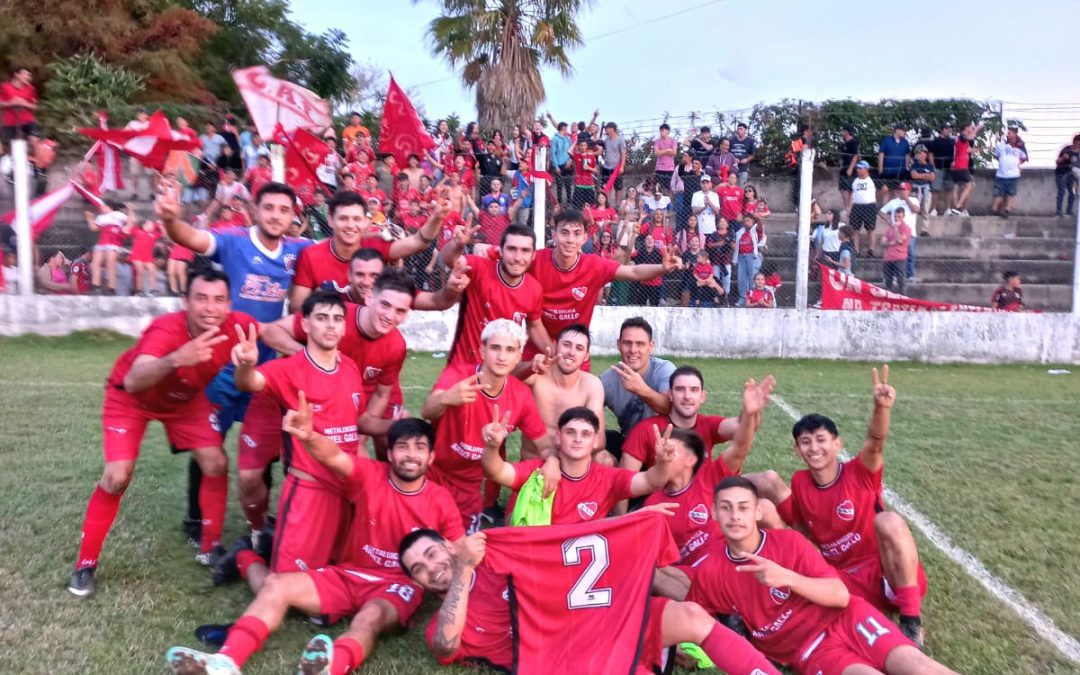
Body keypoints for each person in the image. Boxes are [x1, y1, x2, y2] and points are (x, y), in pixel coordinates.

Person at [166, 410, 465, 675]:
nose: (410, 454)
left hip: (396, 584)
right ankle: (225, 663)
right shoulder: (372, 474)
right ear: (390, 454)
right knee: (277, 585)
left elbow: (460, 552)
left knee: (369, 618)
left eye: (419, 448)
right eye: (402, 447)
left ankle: (330, 669)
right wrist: (309, 436)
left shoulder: (441, 500)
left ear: (431, 457)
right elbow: (333, 455)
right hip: (349, 574)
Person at [68, 269, 255, 597]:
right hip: (133, 398)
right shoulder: (166, 329)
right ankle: (85, 565)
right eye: (201, 298)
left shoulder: (235, 326)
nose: (210, 308)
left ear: (229, 304)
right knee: (116, 477)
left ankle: (209, 548)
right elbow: (134, 379)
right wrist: (176, 359)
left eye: (218, 300)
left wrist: (253, 361)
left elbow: (280, 329)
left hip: (186, 400)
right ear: (185, 302)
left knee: (215, 462)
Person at [684, 477, 958, 675]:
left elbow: (839, 596)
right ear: (714, 513)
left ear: (757, 512)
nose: (735, 516)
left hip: (849, 617)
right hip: (810, 649)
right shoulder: (710, 571)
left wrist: (788, 578)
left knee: (918, 665)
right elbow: (695, 621)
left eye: (743, 507)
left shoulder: (788, 541)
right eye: (726, 508)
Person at [771, 366, 930, 647]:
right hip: (845, 581)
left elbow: (875, 443)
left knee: (888, 521)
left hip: (887, 573)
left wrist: (881, 408)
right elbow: (799, 530)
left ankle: (911, 622)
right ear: (797, 450)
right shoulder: (800, 481)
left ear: (837, 444)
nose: (814, 448)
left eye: (821, 440)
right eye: (805, 442)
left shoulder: (859, 472)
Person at [421, 319, 554, 532]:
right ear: (482, 351)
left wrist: (553, 461)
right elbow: (426, 411)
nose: (502, 356)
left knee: (462, 550)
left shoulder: (520, 395)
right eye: (495, 348)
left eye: (510, 350)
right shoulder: (459, 374)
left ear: (519, 355)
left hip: (469, 487)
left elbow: (545, 443)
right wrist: (446, 398)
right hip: (432, 474)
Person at [641, 374, 774, 564]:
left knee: (766, 508)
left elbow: (740, 448)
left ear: (690, 460)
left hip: (730, 556)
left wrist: (749, 414)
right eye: (661, 451)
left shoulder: (709, 476)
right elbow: (662, 561)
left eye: (671, 451)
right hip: (694, 576)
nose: (664, 456)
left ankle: (788, 558)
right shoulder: (655, 504)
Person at [289, 190, 444, 310]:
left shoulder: (374, 246)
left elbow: (418, 242)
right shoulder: (311, 255)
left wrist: (437, 218)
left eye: (356, 219)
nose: (350, 225)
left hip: (369, 330)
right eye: (343, 218)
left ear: (365, 222)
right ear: (330, 220)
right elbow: (296, 308)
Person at [438, 224, 550, 367]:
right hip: (464, 369)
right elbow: (450, 260)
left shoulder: (534, 289)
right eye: (511, 249)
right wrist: (456, 243)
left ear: (533, 255)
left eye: (525, 251)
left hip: (502, 372)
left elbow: (535, 326)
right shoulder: (479, 269)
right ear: (501, 250)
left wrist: (553, 353)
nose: (518, 257)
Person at [522, 324, 609, 461]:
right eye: (566, 345)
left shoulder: (591, 384)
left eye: (579, 348)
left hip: (570, 464)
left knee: (603, 459)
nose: (571, 352)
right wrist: (529, 366)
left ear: (586, 356)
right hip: (535, 464)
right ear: (556, 346)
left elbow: (599, 439)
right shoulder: (536, 374)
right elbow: (505, 377)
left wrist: (567, 451)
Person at [600, 317, 675, 458]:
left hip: (663, 444)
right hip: (628, 443)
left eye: (640, 344)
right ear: (618, 344)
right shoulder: (607, 380)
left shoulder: (664, 369)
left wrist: (642, 390)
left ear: (651, 346)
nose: (633, 350)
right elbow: (585, 414)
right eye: (627, 343)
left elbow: (670, 407)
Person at [879, 182, 920, 283]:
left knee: (910, 253)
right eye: (900, 189)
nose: (901, 191)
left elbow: (916, 210)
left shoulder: (914, 200)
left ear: (909, 191)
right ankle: (893, 276)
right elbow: (881, 212)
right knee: (893, 253)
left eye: (904, 190)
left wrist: (906, 199)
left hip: (909, 232)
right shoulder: (894, 202)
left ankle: (910, 276)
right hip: (895, 232)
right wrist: (889, 221)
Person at [991, 124, 1028, 218]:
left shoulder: (1020, 146)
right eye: (1008, 133)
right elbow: (996, 156)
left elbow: (1025, 158)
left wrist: (1017, 163)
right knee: (999, 193)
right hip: (1001, 174)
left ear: (1015, 134)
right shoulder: (1002, 145)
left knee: (1010, 193)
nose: (1007, 135)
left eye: (1010, 133)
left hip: (1013, 174)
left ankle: (1007, 210)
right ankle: (994, 210)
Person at [947, 121, 983, 216]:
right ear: (966, 128)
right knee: (970, 185)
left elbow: (968, 150)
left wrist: (982, 149)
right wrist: (978, 128)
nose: (972, 129)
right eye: (971, 127)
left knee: (956, 186)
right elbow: (969, 137)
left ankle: (955, 208)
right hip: (961, 165)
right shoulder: (962, 136)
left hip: (955, 166)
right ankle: (958, 206)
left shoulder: (960, 140)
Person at [0, 66, 37, 144]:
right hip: (10, 122)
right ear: (17, 74)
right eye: (25, 74)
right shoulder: (4, 87)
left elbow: (35, 107)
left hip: (28, 120)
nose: (28, 77)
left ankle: (37, 156)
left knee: (35, 140)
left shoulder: (31, 89)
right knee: (12, 146)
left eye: (29, 75)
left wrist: (25, 104)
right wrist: (11, 103)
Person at [734, 213, 765, 306]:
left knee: (753, 278)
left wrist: (757, 217)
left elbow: (760, 224)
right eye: (744, 221)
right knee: (742, 278)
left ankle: (754, 298)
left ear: (753, 222)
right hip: (741, 257)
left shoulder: (755, 231)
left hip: (752, 257)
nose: (746, 223)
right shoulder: (740, 232)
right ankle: (743, 298)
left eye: (748, 221)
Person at [849, 160, 878, 256]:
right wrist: (849, 208)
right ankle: (856, 250)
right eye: (857, 168)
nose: (858, 170)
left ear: (866, 169)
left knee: (870, 229)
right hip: (857, 206)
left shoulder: (872, 179)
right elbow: (852, 195)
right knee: (855, 229)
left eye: (860, 168)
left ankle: (871, 250)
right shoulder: (855, 181)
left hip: (869, 206)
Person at [129, 219, 163, 296]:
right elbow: (131, 225)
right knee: (140, 271)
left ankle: (152, 290)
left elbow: (163, 234)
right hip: (137, 256)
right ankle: (139, 290)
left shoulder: (154, 234)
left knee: (152, 271)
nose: (152, 225)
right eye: (149, 224)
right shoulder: (137, 231)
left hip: (148, 257)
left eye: (152, 224)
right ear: (144, 225)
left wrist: (159, 225)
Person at [880, 208, 911, 293]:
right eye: (895, 216)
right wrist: (892, 243)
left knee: (901, 281)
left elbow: (900, 240)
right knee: (888, 281)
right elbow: (882, 242)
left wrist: (896, 228)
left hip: (900, 258)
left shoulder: (906, 228)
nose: (897, 218)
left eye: (899, 216)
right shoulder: (890, 228)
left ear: (903, 216)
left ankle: (903, 299)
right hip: (888, 258)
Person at [877, 124, 911, 199]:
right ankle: (884, 209)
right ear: (897, 130)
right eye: (903, 131)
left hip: (900, 172)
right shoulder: (887, 140)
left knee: (898, 191)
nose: (904, 133)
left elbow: (907, 156)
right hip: (887, 171)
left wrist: (907, 168)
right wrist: (880, 169)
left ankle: (895, 210)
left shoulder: (905, 142)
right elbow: (881, 154)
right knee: (886, 190)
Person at [928, 123, 955, 215]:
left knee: (949, 189)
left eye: (950, 129)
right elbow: (931, 154)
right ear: (942, 130)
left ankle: (948, 209)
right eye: (947, 129)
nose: (949, 130)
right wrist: (933, 166)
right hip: (938, 167)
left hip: (949, 168)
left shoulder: (952, 141)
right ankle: (934, 209)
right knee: (936, 189)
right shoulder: (935, 141)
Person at [1055, 134, 1080, 217]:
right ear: (1074, 142)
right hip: (1062, 172)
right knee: (1061, 191)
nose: (1078, 146)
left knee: (1073, 192)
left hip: (1074, 175)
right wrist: (1063, 158)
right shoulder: (1066, 150)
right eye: (1077, 144)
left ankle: (1069, 211)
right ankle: (1058, 211)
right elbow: (1057, 161)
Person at [908, 146, 935, 224]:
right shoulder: (914, 165)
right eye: (919, 153)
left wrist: (920, 175)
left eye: (923, 153)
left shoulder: (930, 166)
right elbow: (914, 176)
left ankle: (924, 230)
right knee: (913, 208)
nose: (921, 155)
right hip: (915, 189)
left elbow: (932, 178)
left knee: (925, 210)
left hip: (927, 189)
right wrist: (926, 175)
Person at [571, 135, 599, 208]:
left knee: (590, 205)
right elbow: (569, 151)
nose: (583, 147)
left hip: (589, 184)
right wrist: (575, 142)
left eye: (584, 145)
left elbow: (596, 170)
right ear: (579, 146)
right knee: (577, 205)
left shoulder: (591, 156)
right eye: (581, 145)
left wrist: (589, 168)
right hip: (579, 184)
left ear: (587, 146)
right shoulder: (577, 156)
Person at [691, 173, 720, 238]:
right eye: (703, 183)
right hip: (700, 228)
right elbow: (694, 211)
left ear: (710, 184)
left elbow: (717, 211)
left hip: (712, 229)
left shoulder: (714, 195)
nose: (705, 185)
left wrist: (709, 203)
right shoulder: (696, 195)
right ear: (700, 184)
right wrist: (704, 207)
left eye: (707, 183)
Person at [838, 125, 861, 210]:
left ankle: (849, 209)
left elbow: (855, 155)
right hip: (843, 168)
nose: (842, 132)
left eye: (843, 130)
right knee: (843, 189)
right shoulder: (844, 144)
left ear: (847, 132)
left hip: (850, 169)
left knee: (850, 189)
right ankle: (846, 208)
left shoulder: (853, 142)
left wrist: (850, 168)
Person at [654, 123, 678, 187]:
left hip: (670, 168)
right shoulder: (657, 141)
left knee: (669, 187)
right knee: (658, 187)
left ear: (668, 131)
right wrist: (667, 150)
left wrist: (661, 152)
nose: (661, 132)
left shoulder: (673, 140)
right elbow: (656, 153)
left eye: (663, 130)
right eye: (660, 130)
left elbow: (674, 152)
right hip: (659, 168)